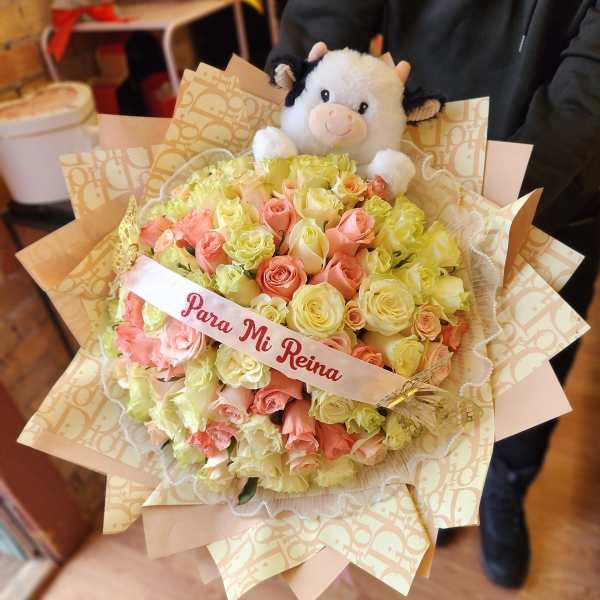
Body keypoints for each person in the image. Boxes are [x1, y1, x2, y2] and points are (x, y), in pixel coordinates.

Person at [267, 0, 600, 589]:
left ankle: (506, 489)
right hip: (424, 135)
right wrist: (308, 70)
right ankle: (442, 475)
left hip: (559, 179)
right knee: (416, 357)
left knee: (534, 368)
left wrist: (514, 189)